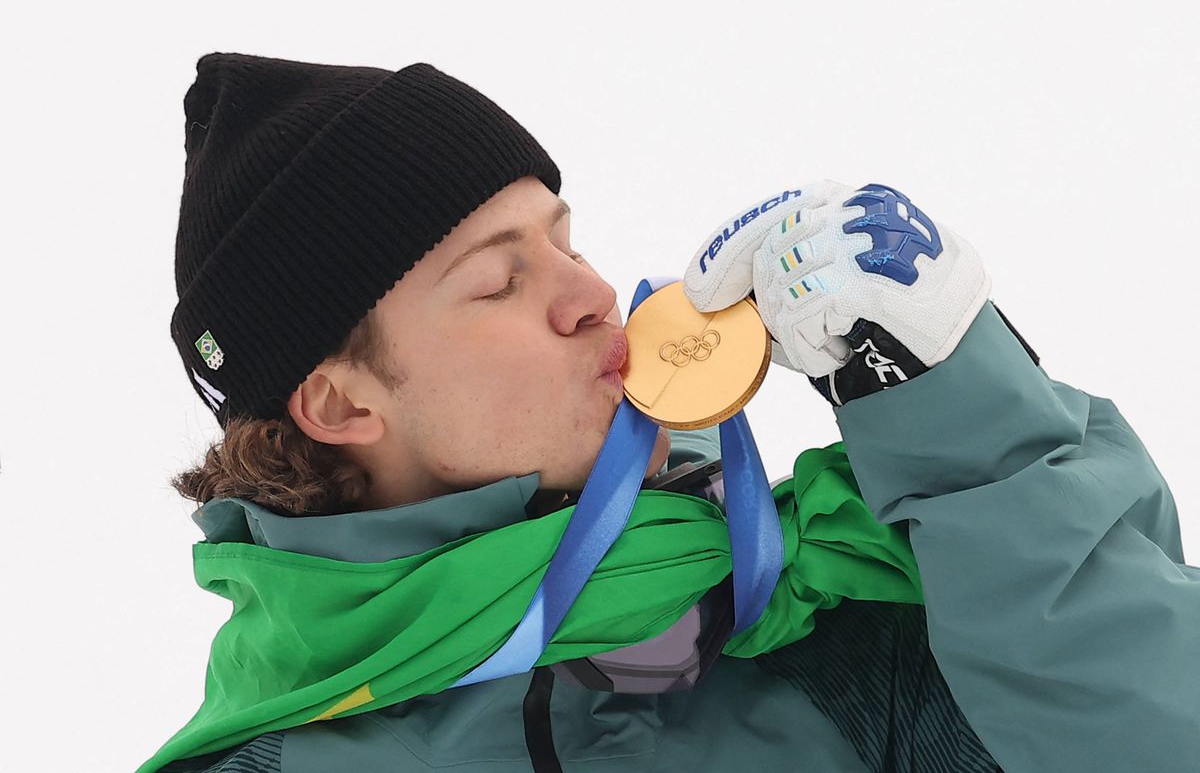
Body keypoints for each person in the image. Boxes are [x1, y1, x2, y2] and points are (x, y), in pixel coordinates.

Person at [138, 52, 1200, 773]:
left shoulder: (843, 633)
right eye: (499, 282)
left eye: (566, 240)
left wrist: (963, 425)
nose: (592, 292)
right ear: (339, 400)